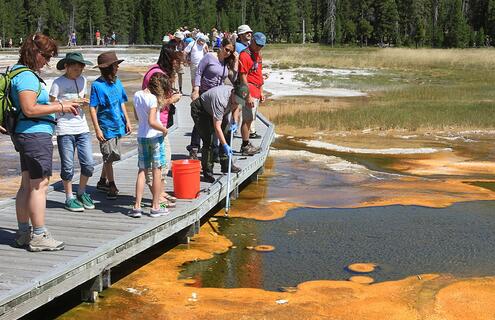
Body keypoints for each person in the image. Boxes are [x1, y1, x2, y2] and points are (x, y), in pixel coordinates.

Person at [10, 33, 79, 251]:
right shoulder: (28, 77)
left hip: (24, 134)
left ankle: (23, 233)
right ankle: (39, 235)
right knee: (40, 185)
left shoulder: (15, 72)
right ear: (35, 52)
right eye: (46, 56)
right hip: (35, 135)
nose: (47, 61)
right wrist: (61, 107)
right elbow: (30, 109)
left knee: (26, 184)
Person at [49, 52, 95, 212]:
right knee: (68, 166)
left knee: (89, 164)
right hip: (65, 129)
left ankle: (81, 192)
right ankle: (69, 197)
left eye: (81, 67)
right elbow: (51, 104)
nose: (79, 70)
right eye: (75, 67)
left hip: (82, 128)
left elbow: (84, 98)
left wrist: (84, 103)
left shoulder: (83, 80)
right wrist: (70, 102)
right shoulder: (57, 82)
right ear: (66, 66)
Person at [141, 44, 182, 208]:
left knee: (164, 160)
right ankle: (156, 197)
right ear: (170, 59)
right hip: (154, 125)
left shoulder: (161, 72)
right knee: (157, 163)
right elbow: (154, 104)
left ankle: (161, 192)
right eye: (176, 60)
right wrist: (172, 100)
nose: (178, 64)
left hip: (160, 124)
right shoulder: (156, 75)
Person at [89, 51, 132, 200]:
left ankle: (102, 181)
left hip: (117, 123)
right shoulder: (97, 85)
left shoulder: (117, 82)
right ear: (108, 68)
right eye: (115, 65)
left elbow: (121, 102)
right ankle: (111, 185)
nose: (118, 68)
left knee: (112, 156)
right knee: (108, 156)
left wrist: (127, 120)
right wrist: (97, 129)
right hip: (105, 126)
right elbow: (92, 107)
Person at [187, 38, 239, 160]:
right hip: (204, 92)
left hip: (218, 96)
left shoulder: (226, 62)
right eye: (226, 50)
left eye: (230, 52)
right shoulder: (209, 57)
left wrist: (235, 61)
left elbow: (234, 78)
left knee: (217, 122)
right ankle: (194, 147)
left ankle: (215, 151)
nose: (228, 53)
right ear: (221, 46)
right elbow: (199, 72)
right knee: (201, 121)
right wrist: (196, 89)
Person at [130, 73, 172, 218]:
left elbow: (137, 117)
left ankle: (137, 206)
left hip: (141, 136)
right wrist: (164, 129)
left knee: (142, 170)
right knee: (157, 171)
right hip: (155, 137)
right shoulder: (153, 99)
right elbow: (152, 121)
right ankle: (155, 207)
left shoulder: (137, 95)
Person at [190, 84, 248, 183]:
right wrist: (225, 145)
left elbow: (237, 108)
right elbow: (217, 128)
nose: (237, 102)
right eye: (236, 99)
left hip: (220, 111)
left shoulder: (239, 96)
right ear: (233, 92)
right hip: (201, 110)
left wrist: (234, 120)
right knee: (209, 141)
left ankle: (226, 165)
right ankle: (208, 173)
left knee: (227, 133)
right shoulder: (221, 100)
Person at [238, 32, 266, 155]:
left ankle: (247, 142)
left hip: (256, 89)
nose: (259, 47)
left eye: (262, 45)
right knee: (247, 119)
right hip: (248, 90)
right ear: (253, 41)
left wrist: (261, 91)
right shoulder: (244, 55)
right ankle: (245, 145)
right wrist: (247, 95)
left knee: (251, 118)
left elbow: (259, 72)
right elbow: (243, 76)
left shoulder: (258, 54)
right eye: (258, 44)